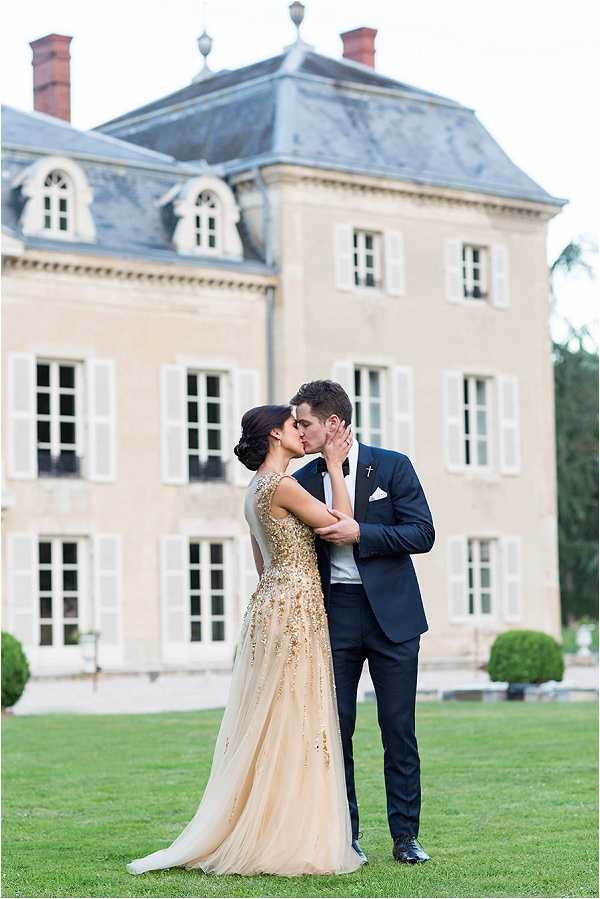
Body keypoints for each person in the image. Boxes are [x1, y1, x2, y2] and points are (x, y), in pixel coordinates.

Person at [126, 404, 364, 877]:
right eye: (295, 426)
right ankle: (285, 837)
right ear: (276, 434)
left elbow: (261, 561)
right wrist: (336, 466)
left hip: (269, 604)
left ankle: (271, 826)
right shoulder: (284, 486)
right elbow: (342, 527)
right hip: (296, 607)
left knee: (273, 718)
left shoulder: (253, 491)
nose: (302, 432)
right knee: (296, 718)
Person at [291, 380, 435, 865]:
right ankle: (346, 834)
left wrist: (362, 532)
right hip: (335, 616)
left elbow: (422, 532)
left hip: (393, 617)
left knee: (398, 728)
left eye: (305, 422)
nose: (299, 430)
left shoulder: (393, 465)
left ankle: (405, 837)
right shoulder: (305, 479)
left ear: (334, 423)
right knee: (338, 728)